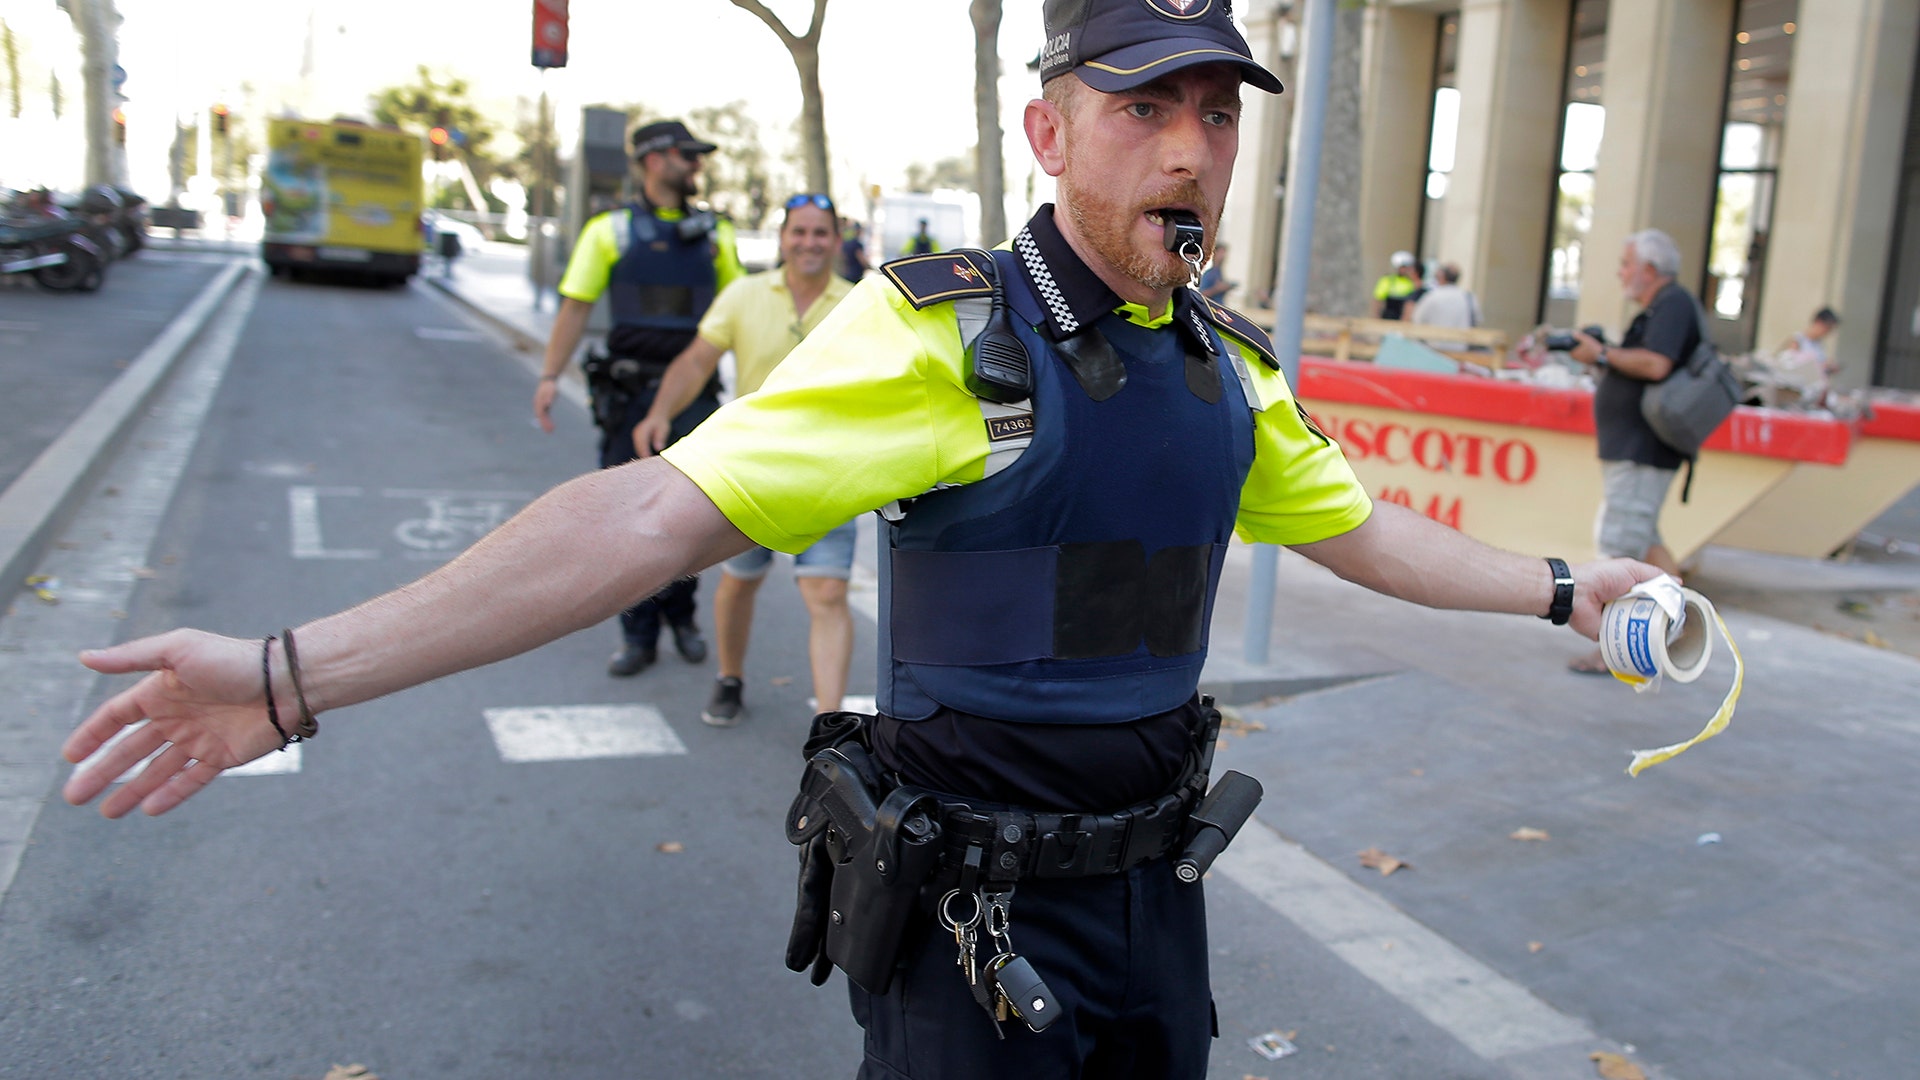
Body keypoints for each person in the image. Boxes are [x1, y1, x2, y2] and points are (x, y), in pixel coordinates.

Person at [62, 2, 1663, 1075]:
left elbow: (1368, 535)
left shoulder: (1225, 371)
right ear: (1048, 136)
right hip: (974, 926)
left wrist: (1564, 588)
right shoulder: (936, 340)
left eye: (1213, 115)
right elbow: (637, 512)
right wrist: (287, 676)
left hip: (1155, 907)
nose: (1187, 149)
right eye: (1140, 110)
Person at [632, 193, 858, 728]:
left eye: (820, 233)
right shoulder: (744, 294)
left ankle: (829, 728)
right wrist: (660, 411)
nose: (809, 242)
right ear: (782, 239)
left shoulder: (860, 303)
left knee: (826, 591)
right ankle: (729, 677)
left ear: (836, 240)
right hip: (752, 469)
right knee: (740, 580)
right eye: (798, 232)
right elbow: (696, 360)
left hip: (829, 471)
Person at [529, 118, 744, 678]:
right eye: (685, 155)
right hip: (628, 394)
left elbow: (740, 310)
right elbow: (575, 306)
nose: (696, 165)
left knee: (696, 514)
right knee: (627, 519)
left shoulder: (716, 234)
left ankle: (683, 619)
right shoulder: (610, 230)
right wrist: (550, 375)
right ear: (652, 160)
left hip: (695, 395)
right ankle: (637, 634)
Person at [1566, 228, 1698, 674]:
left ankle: (1615, 649)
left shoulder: (1674, 304)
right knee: (1645, 540)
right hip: (1638, 449)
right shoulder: (1661, 308)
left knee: (1620, 546)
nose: (1621, 273)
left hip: (1644, 449)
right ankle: (1686, 624)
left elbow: (1655, 363)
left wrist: (1602, 353)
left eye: (1625, 264)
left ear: (1649, 269)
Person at [1409, 261, 1479, 328]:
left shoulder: (1432, 296)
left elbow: (1417, 319)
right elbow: (1476, 320)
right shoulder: (1469, 297)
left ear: (1442, 277)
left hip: (1434, 339)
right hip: (1461, 340)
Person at [1372, 250, 1422, 321]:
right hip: (1388, 316)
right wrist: (1376, 317)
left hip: (1404, 318)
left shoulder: (1412, 281)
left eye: (1406, 267)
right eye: (1402, 267)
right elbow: (1378, 299)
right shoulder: (1387, 280)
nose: (1404, 270)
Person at [838, 218, 870, 282]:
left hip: (846, 274)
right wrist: (870, 267)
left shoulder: (846, 242)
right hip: (855, 275)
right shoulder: (856, 244)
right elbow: (861, 259)